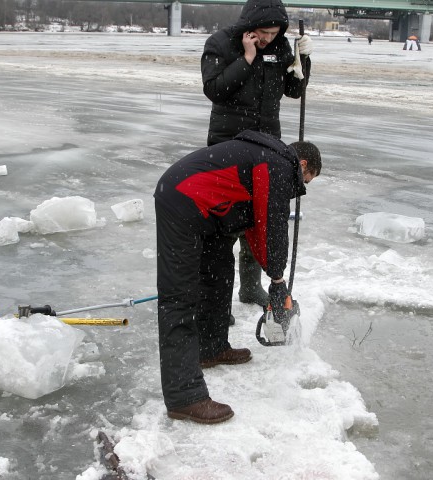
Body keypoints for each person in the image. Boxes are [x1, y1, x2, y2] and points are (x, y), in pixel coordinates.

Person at [154, 130, 321, 424]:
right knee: (179, 297)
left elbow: (256, 225)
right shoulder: (279, 165)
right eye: (305, 182)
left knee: (218, 275)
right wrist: (278, 279)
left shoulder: (269, 159)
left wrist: (275, 277)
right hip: (183, 202)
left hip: (211, 212)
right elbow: (272, 224)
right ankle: (184, 396)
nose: (301, 188)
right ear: (303, 164)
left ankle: (212, 347)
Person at [200, 0, 313, 310]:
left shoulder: (279, 47)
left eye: (273, 33)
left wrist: (303, 58)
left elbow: (294, 89)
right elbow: (214, 89)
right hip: (228, 146)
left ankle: (250, 288)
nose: (266, 39)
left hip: (267, 146)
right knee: (226, 222)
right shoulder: (220, 43)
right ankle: (216, 303)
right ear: (250, 23)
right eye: (263, 32)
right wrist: (247, 59)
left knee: (258, 217)